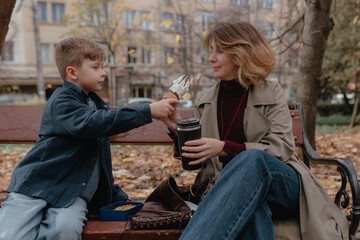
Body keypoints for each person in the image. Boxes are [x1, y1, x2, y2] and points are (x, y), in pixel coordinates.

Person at [162, 21, 349, 239]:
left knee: (252, 160)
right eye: (211, 51)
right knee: (252, 208)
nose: (211, 58)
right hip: (229, 190)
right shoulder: (206, 99)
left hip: (280, 182)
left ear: (242, 53)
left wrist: (224, 148)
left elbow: (281, 148)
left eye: (220, 51)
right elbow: (199, 164)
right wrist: (178, 129)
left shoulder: (272, 92)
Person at [0, 37, 178, 240]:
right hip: (37, 185)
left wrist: (113, 194)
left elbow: (97, 162)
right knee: (10, 234)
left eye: (102, 67)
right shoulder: (63, 101)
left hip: (72, 191)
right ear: (72, 72)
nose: (102, 73)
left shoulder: (95, 105)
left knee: (66, 229)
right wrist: (148, 111)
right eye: (95, 67)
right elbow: (93, 122)